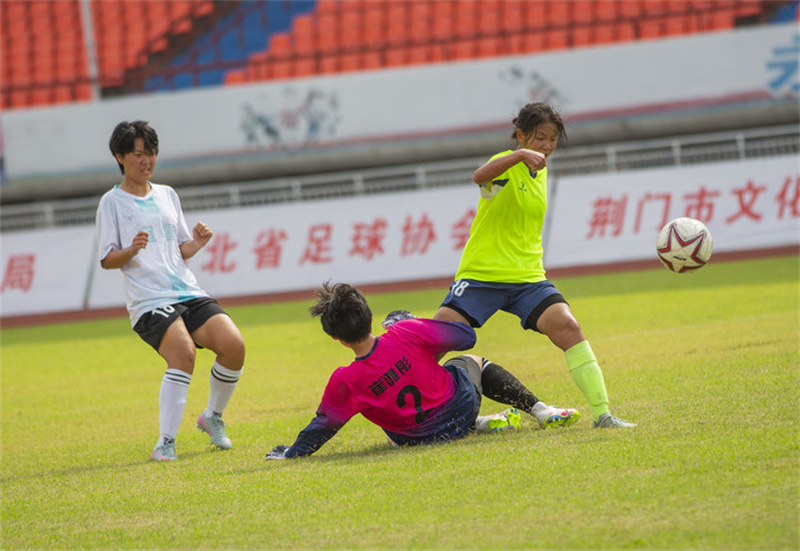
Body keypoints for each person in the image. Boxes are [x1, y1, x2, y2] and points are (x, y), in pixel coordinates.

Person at [433, 102, 635, 429]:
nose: (546, 146)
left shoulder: (541, 170)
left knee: (569, 327)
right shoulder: (506, 164)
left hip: (527, 278)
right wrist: (518, 156)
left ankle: (603, 415)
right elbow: (480, 177)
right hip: (482, 275)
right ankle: (407, 417)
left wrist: (529, 157)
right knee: (435, 341)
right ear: (521, 136)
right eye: (540, 138)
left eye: (552, 139)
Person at [265, 283, 579, 460]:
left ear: (336, 338)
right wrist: (408, 321)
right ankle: (540, 410)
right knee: (470, 362)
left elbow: (322, 427)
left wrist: (291, 453)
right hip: (459, 409)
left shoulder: (344, 380)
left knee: (385, 405)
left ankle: (481, 425)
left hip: (413, 440)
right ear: (369, 317)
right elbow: (464, 337)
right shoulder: (404, 332)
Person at [96, 120, 246, 461]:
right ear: (120, 157)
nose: (146, 161)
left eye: (151, 153)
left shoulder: (167, 194)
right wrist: (132, 250)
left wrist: (197, 243)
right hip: (149, 299)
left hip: (186, 290)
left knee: (234, 346)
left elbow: (180, 249)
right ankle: (165, 443)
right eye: (138, 154)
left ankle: (212, 417)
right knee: (183, 353)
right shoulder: (111, 202)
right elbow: (106, 259)